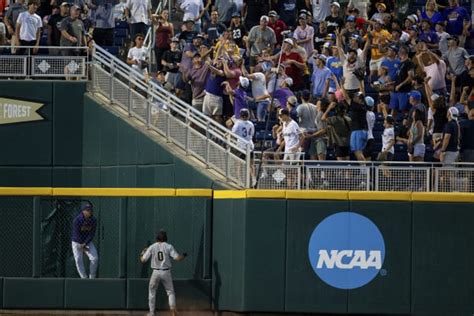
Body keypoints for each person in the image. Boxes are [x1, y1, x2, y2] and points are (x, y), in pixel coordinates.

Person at [140, 230, 187, 316]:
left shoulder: (152, 247)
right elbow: (177, 258)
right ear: (165, 238)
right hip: (166, 272)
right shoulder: (169, 246)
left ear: (157, 238)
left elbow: (143, 260)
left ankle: (151, 312)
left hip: (155, 272)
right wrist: (184, 255)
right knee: (170, 292)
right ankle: (173, 309)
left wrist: (142, 253)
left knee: (152, 292)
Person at [71, 202, 99, 279]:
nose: (89, 211)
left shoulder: (93, 220)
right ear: (83, 211)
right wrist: (81, 245)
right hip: (77, 242)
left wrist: (85, 244)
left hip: (87, 242)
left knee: (95, 258)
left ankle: (92, 277)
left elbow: (92, 234)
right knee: (78, 260)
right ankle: (84, 278)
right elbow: (76, 234)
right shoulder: (77, 220)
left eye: (90, 210)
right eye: (87, 210)